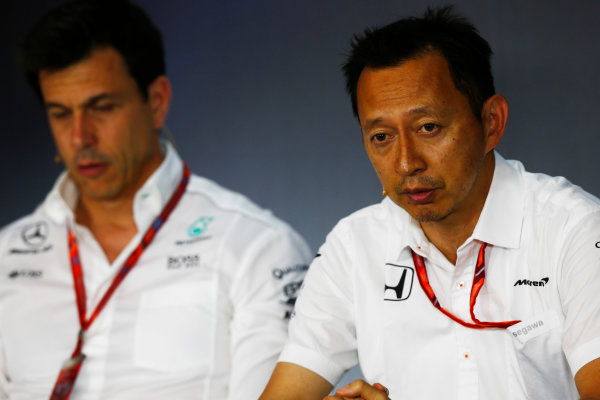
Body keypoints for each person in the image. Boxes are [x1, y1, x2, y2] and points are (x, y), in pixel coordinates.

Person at [259, 6, 600, 400]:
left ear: (491, 123)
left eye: (428, 128)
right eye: (382, 137)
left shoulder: (574, 231)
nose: (406, 163)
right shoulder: (353, 245)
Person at [0, 1, 311, 399]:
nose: (80, 137)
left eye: (102, 108)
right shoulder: (8, 256)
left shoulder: (257, 248)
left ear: (158, 101)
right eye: (61, 113)